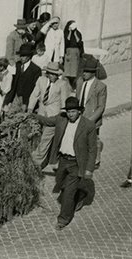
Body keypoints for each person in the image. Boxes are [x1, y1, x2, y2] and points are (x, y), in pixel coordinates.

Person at [35, 96, 97, 230]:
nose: (71, 114)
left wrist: (89, 169)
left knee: (68, 193)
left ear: (79, 111)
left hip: (77, 163)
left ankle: (64, 219)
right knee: (62, 184)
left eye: (73, 111)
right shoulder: (61, 119)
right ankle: (81, 194)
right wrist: (33, 116)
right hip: (63, 160)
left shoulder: (88, 126)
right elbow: (47, 121)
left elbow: (93, 149)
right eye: (69, 112)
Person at [27, 61, 70, 168]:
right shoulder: (41, 80)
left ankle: (35, 163)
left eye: (56, 75)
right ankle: (39, 157)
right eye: (51, 74)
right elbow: (34, 95)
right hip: (41, 114)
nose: (53, 76)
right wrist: (30, 109)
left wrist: (62, 116)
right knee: (38, 137)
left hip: (53, 117)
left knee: (45, 140)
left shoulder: (62, 84)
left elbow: (64, 102)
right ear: (47, 73)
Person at [75, 55, 107, 168]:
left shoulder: (100, 86)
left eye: (87, 72)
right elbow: (77, 98)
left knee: (94, 139)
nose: (84, 73)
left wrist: (91, 120)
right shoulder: (80, 82)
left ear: (93, 73)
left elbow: (100, 107)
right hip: (80, 115)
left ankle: (96, 160)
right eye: (83, 71)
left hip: (92, 117)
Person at [3, 43, 42, 111]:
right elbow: (13, 85)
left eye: (24, 56)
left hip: (28, 100)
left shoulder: (36, 70)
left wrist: (26, 103)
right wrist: (7, 102)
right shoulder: (18, 65)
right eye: (21, 55)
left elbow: (35, 90)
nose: (21, 58)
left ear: (29, 56)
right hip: (16, 97)